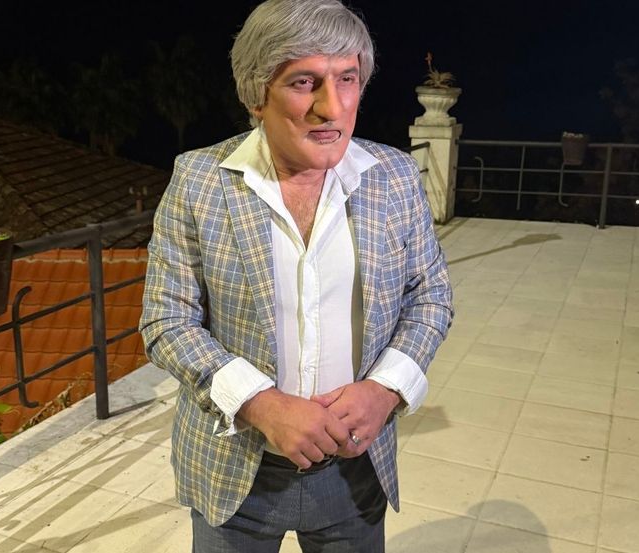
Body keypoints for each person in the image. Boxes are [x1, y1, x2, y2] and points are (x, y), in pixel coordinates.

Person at [139, 1, 453, 551]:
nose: (332, 107)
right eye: (305, 82)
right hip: (234, 475)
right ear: (256, 95)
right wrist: (260, 404)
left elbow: (430, 297)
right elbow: (166, 321)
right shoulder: (199, 181)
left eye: (348, 79)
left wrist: (385, 389)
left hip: (356, 473)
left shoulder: (395, 175)